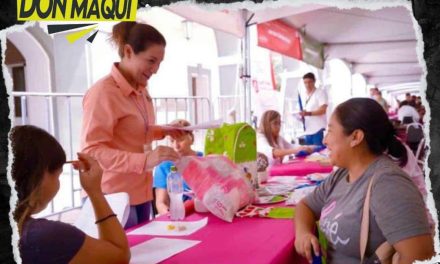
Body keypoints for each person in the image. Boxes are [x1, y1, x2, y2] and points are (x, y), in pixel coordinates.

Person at [294, 98, 434, 263]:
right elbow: (305, 206)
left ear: (356, 137)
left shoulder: (388, 185)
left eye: (330, 131)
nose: (325, 140)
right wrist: (303, 234)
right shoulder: (342, 174)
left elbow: (419, 256)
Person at [81, 21, 182, 229]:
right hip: (112, 197)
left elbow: (132, 131)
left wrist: (163, 130)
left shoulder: (141, 90)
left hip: (141, 193)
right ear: (128, 51)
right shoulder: (103, 93)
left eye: (160, 63)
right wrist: (145, 160)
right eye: (151, 61)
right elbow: (91, 151)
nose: (155, 70)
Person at [11, 125, 130, 264]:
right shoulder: (46, 237)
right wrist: (95, 192)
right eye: (57, 175)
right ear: (40, 176)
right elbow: (119, 256)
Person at [153, 119, 203, 215]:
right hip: (180, 215)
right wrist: (170, 215)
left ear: (191, 138)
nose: (176, 146)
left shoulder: (204, 160)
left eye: (180, 139)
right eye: (172, 141)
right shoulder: (164, 166)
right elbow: (161, 203)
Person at [299, 72, 328, 146]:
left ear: (314, 81)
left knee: (318, 154)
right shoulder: (305, 95)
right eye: (305, 83)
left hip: (318, 130)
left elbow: (323, 110)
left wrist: (308, 113)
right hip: (308, 130)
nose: (307, 85)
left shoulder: (320, 92)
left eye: (309, 82)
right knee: (309, 155)